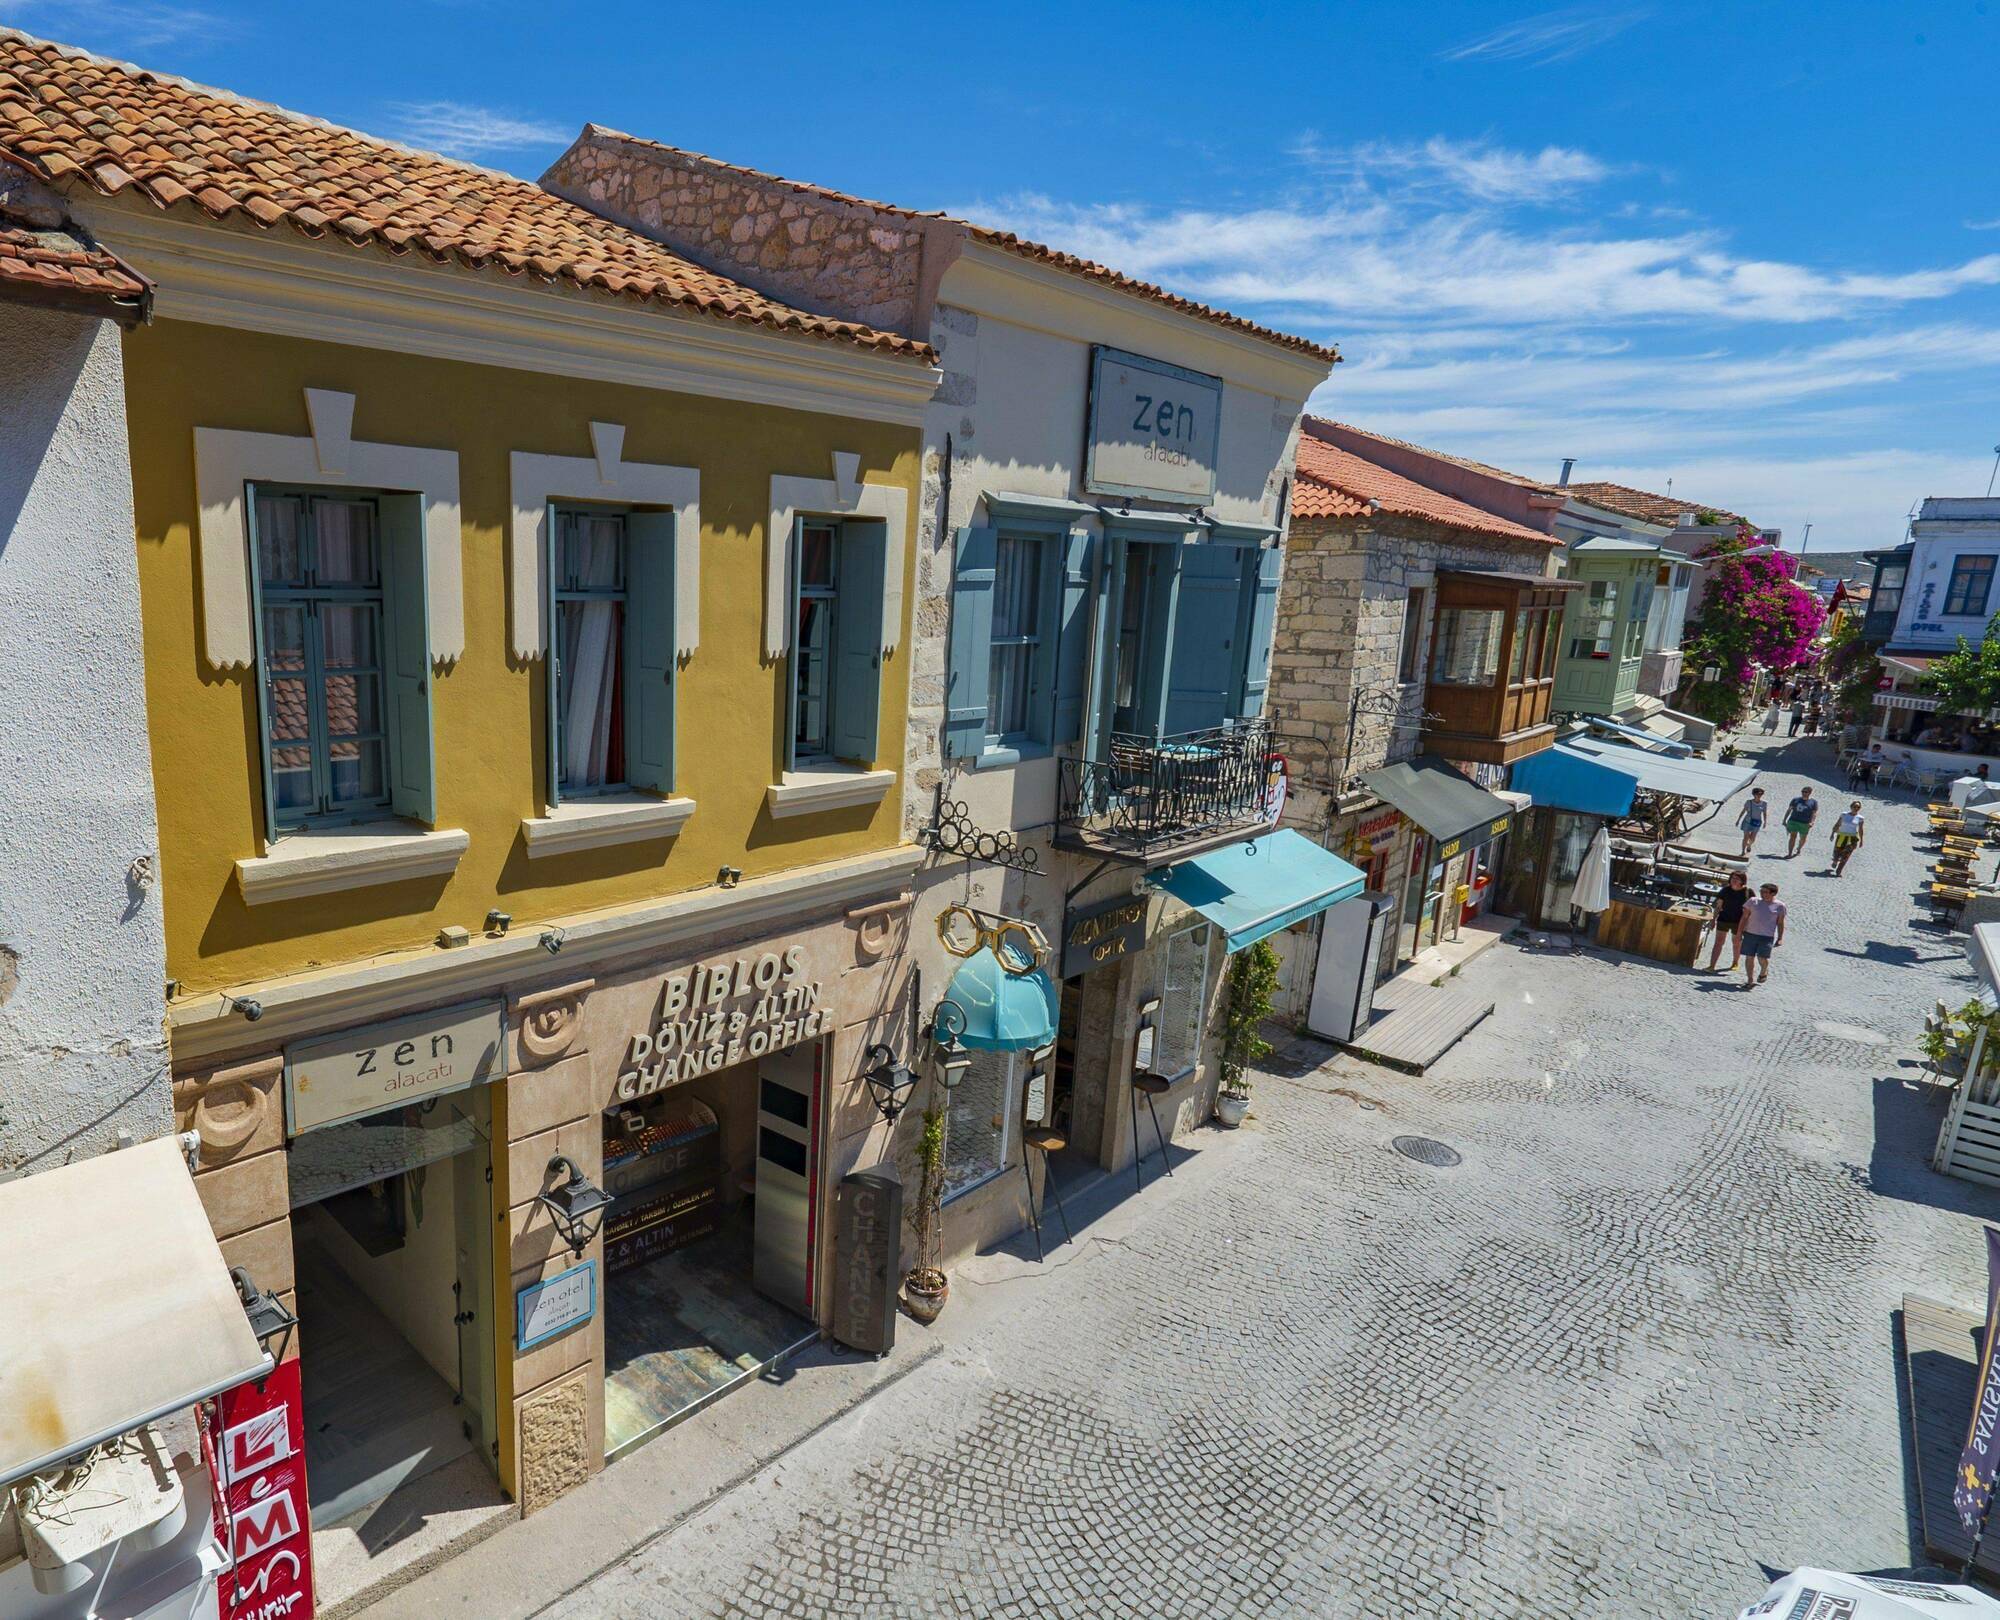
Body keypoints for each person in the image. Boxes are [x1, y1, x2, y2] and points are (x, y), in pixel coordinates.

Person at [1739, 882, 1787, 987]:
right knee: (1749, 957)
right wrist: (1739, 932)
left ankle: (1764, 970)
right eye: (1761, 891)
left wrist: (1780, 938)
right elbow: (1744, 917)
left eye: (1765, 892)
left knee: (1762, 958)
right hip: (1750, 933)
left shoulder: (1780, 906)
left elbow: (1780, 923)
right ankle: (1750, 980)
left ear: (1773, 893)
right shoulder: (1753, 901)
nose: (1762, 894)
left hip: (1766, 937)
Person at [1708, 870, 1751, 971]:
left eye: (1737, 879)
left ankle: (1735, 962)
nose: (1734, 881)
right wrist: (1713, 920)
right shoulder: (1725, 890)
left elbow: (1751, 909)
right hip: (1724, 918)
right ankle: (1712, 965)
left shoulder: (1748, 892)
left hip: (1739, 921)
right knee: (1718, 942)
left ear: (1742, 881)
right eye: (1732, 878)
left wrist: (1747, 924)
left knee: (1736, 942)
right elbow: (1718, 906)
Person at [1830, 801, 1866, 876]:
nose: (1856, 808)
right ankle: (1835, 861)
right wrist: (1832, 833)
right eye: (1855, 806)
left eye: (1858, 807)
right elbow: (1837, 824)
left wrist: (1861, 840)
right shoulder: (1844, 815)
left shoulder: (1860, 818)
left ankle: (1839, 871)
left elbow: (1860, 829)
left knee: (1846, 855)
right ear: (1851, 806)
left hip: (1852, 838)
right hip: (1842, 836)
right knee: (1837, 851)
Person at [1783, 785, 1819, 856]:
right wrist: (1784, 819)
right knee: (1793, 836)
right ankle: (1790, 853)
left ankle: (1799, 848)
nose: (1804, 793)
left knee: (1803, 838)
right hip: (1794, 820)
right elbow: (1789, 809)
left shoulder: (1813, 802)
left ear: (1809, 793)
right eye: (1803, 791)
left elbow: (1814, 813)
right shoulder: (1795, 800)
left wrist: (1812, 822)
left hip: (1805, 823)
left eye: (1806, 792)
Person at [1737, 787, 1770, 856]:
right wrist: (1738, 819)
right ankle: (1743, 851)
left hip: (1757, 822)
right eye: (1758, 794)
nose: (1759, 795)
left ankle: (1749, 845)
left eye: (1761, 794)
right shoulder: (1749, 802)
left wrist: (1765, 822)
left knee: (1753, 838)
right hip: (1747, 821)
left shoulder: (1764, 803)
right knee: (1746, 836)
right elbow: (1744, 811)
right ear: (1754, 794)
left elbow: (1764, 813)